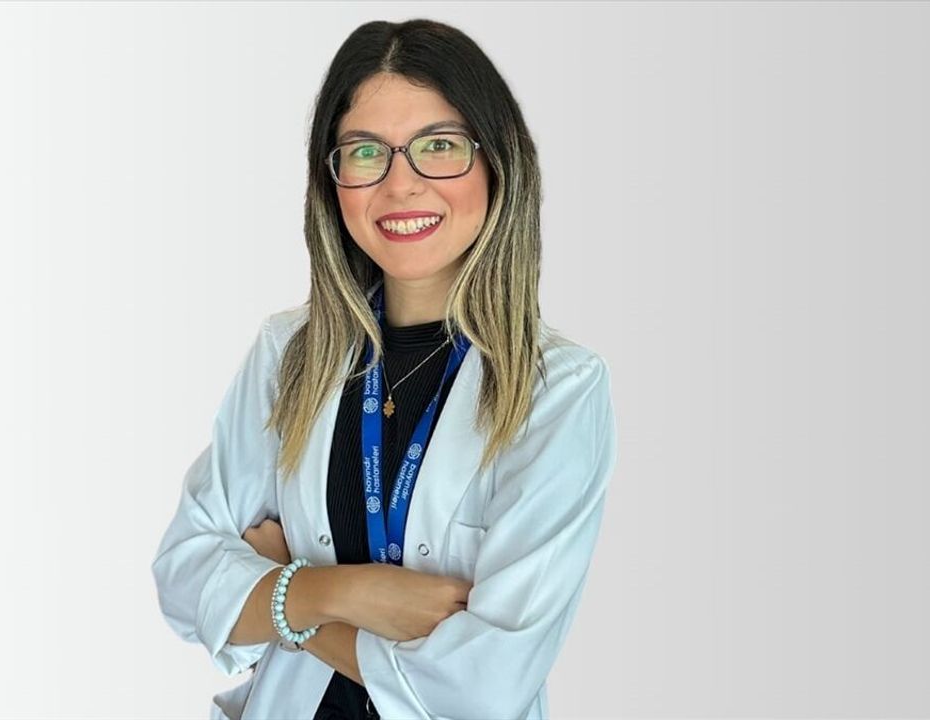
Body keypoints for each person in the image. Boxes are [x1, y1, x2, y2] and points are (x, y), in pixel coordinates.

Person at [151, 18, 618, 720]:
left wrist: (283, 592)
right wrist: (345, 592)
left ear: (497, 162)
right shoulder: (288, 354)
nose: (401, 185)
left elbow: (483, 688)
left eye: (439, 146)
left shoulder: (559, 392)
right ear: (333, 179)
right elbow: (183, 578)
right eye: (366, 152)